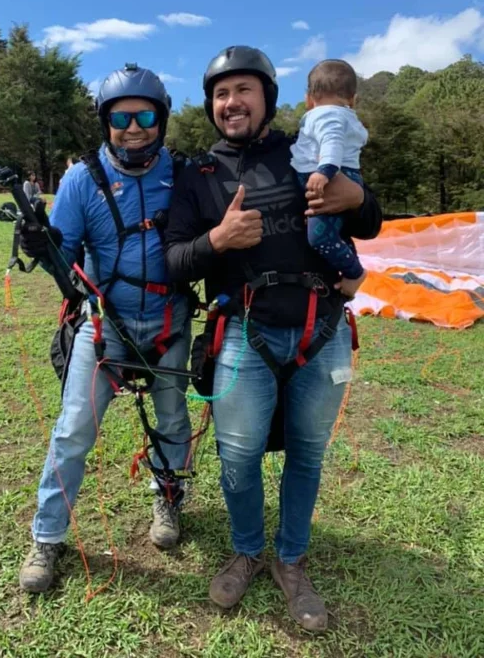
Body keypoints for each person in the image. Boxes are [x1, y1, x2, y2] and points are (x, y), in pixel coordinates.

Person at [164, 46, 382, 631]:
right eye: (220, 93)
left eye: (243, 90)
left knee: (307, 455)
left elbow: (369, 218)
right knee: (237, 457)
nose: (230, 102)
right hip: (243, 333)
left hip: (322, 329)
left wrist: (356, 199)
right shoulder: (197, 175)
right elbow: (172, 260)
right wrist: (219, 240)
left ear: (267, 98)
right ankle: (246, 550)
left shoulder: (303, 148)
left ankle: (291, 561)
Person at [17, 64, 193, 593]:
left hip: (169, 324)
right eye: (122, 117)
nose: (134, 127)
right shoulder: (81, 179)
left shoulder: (184, 175)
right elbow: (65, 260)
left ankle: (168, 501)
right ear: (106, 121)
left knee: (172, 421)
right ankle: (47, 536)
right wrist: (40, 244)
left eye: (145, 116)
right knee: (73, 430)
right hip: (104, 327)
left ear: (161, 120)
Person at [290, 59, 369, 298]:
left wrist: (324, 171)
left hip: (333, 178)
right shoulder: (338, 115)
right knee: (331, 231)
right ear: (353, 98)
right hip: (339, 177)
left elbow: (332, 143)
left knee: (320, 237)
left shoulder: (326, 115)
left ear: (308, 98)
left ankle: (354, 272)